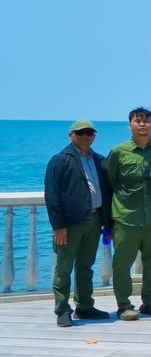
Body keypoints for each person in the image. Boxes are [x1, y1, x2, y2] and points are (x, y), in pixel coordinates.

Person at [105, 107, 151, 321]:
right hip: (126, 217)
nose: (142, 124)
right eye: (138, 120)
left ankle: (149, 301)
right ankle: (123, 304)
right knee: (122, 263)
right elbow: (110, 181)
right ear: (130, 125)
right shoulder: (118, 151)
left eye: (146, 121)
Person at [44, 120, 112, 327]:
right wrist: (58, 226)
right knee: (64, 268)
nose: (86, 136)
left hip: (94, 220)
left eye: (89, 132)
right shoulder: (60, 160)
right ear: (71, 135)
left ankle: (84, 306)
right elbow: (52, 196)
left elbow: (107, 192)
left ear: (94, 136)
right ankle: (62, 310)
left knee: (85, 267)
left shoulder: (99, 160)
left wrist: (107, 223)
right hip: (70, 224)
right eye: (81, 132)